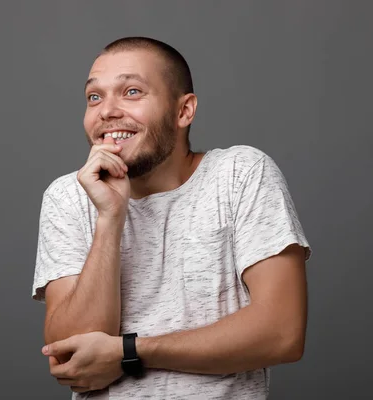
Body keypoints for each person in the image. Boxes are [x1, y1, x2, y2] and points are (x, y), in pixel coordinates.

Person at [31, 36, 311, 399]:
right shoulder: (69, 196)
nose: (106, 111)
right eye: (94, 97)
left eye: (131, 91)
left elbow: (281, 332)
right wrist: (110, 218)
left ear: (184, 111)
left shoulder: (240, 174)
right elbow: (71, 358)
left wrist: (130, 352)